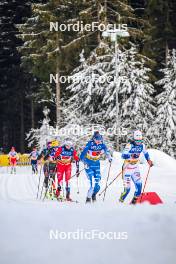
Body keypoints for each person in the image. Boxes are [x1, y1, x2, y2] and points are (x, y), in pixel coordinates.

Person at [120, 130, 153, 204]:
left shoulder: (142, 145)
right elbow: (123, 155)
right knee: (127, 190)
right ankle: (120, 202)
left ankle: (133, 204)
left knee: (139, 188)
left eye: (140, 141)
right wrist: (130, 155)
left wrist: (149, 160)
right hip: (127, 168)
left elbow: (146, 153)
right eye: (137, 141)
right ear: (134, 140)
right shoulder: (129, 145)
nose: (138, 143)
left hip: (135, 168)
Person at [80, 131, 112, 203]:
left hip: (97, 165)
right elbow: (81, 156)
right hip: (89, 165)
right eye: (96, 140)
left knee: (97, 185)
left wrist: (109, 157)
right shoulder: (90, 144)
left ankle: (93, 194)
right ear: (93, 139)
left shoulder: (102, 145)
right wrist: (85, 163)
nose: (98, 141)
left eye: (99, 140)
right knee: (92, 183)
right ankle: (88, 199)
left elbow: (107, 151)